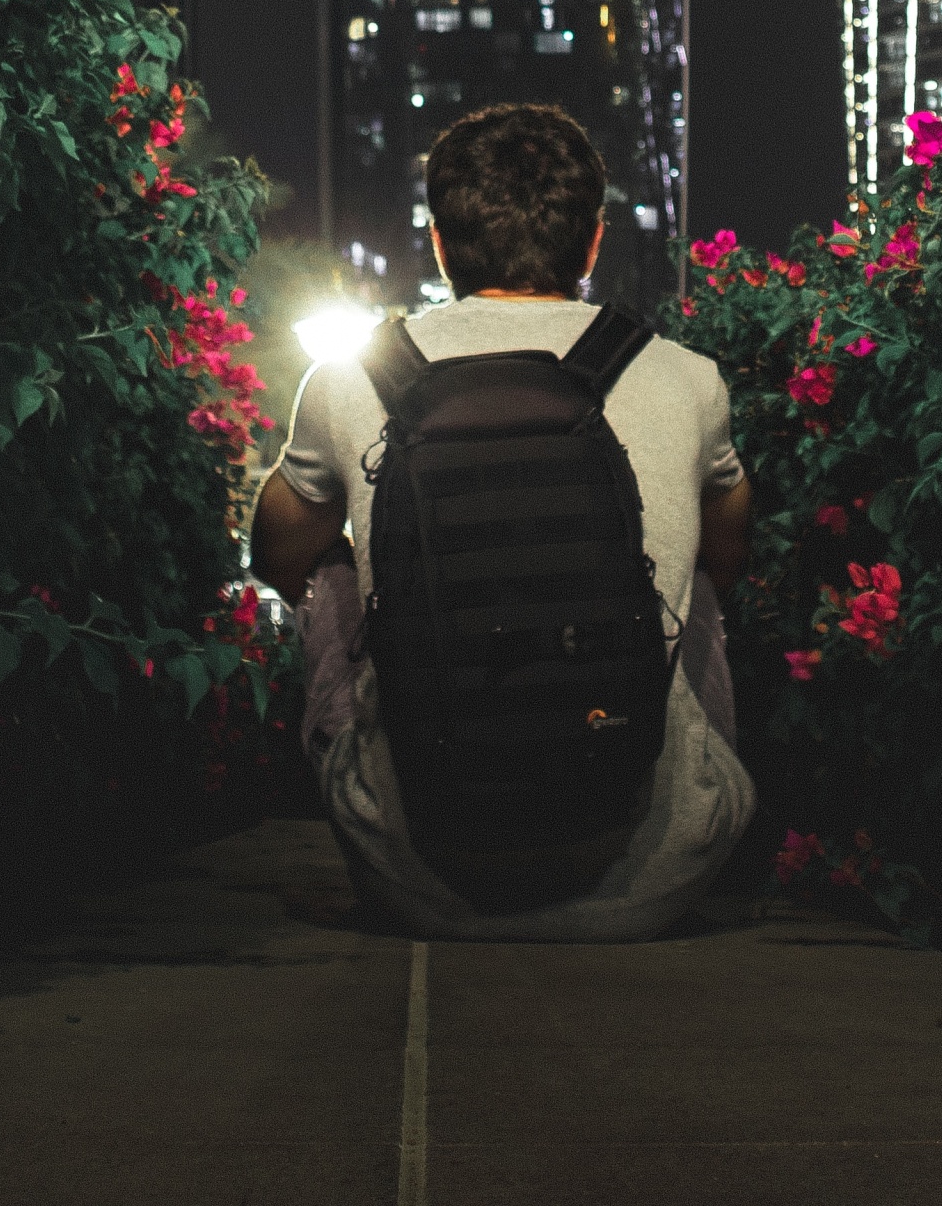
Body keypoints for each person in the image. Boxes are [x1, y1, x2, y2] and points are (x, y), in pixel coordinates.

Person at [251, 103, 756, 939]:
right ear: (592, 242)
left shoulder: (352, 379)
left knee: (331, 570)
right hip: (660, 880)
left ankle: (391, 800)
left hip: (417, 878)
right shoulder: (688, 378)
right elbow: (731, 557)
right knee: (692, 568)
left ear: (440, 242)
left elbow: (278, 555)